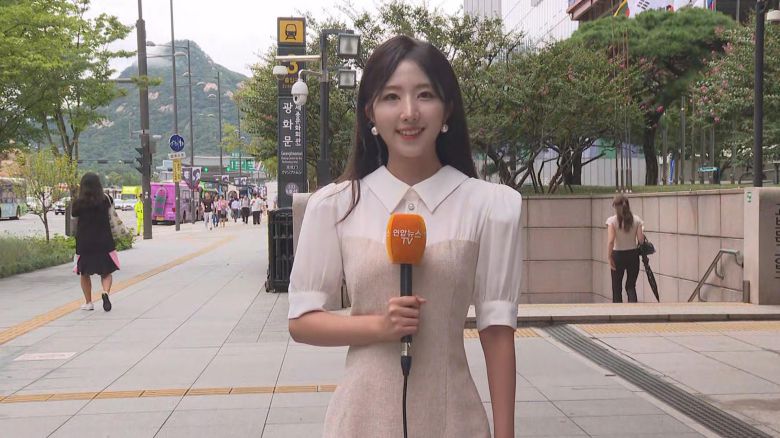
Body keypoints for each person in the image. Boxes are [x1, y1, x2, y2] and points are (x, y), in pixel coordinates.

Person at [287, 35, 521, 438]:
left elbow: (497, 330)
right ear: (370, 113)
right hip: (361, 421)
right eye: (391, 97)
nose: (409, 112)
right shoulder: (336, 205)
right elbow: (301, 321)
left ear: (447, 109)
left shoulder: (489, 205)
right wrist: (379, 327)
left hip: (453, 420)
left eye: (425, 95)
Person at [71, 173, 116, 312]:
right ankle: (105, 292)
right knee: (106, 272)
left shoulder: (78, 203)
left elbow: (73, 219)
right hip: (104, 241)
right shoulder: (106, 199)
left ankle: (89, 302)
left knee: (84, 273)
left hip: (85, 242)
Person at [607, 194, 645, 303]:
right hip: (633, 255)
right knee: (631, 286)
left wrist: (609, 257)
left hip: (617, 255)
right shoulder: (637, 220)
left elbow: (611, 241)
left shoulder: (612, 221)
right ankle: (633, 310)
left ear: (616, 206)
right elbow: (641, 240)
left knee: (616, 287)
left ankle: (617, 311)